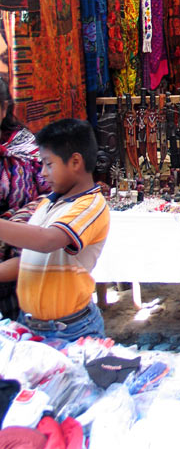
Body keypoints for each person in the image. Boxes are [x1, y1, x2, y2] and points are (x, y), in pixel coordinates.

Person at [0, 118, 110, 341]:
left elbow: (47, 241)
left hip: (70, 329)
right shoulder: (48, 203)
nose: (42, 173)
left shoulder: (91, 205)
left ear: (75, 162)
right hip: (30, 324)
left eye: (49, 164)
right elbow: (31, 258)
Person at [0, 78, 48, 320]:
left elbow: (50, 195)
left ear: (5, 107)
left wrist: (16, 222)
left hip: (18, 254)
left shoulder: (24, 145)